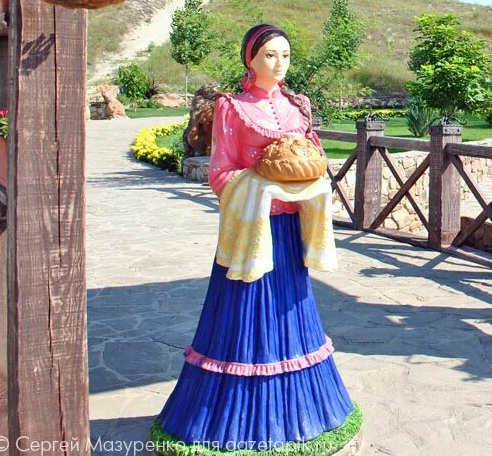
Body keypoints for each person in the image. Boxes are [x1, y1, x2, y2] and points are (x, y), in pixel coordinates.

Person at [153, 24, 360, 452]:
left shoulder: (297, 107)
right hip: (253, 233)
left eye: (285, 54)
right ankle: (230, 417)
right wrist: (261, 186)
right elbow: (221, 172)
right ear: (251, 58)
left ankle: (304, 411)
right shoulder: (233, 107)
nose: (279, 63)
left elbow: (312, 158)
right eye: (269, 54)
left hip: (289, 233)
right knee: (245, 317)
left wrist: (307, 179)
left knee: (291, 314)